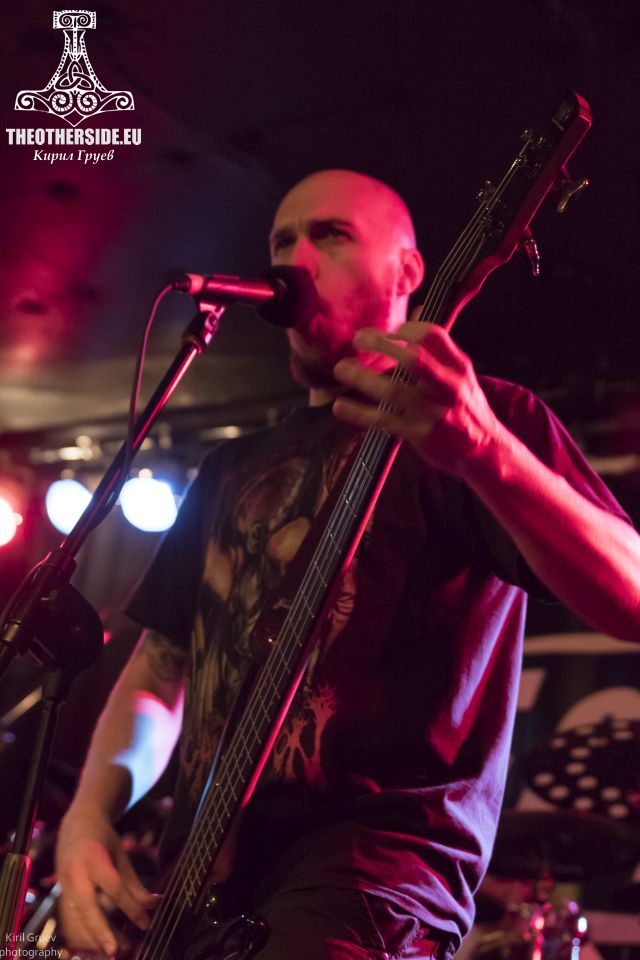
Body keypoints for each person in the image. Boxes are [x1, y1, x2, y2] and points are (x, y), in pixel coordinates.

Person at [55, 169, 640, 960]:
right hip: (196, 886)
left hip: (370, 880)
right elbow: (162, 671)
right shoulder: (228, 471)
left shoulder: (486, 419)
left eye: (330, 235)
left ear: (408, 271)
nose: (294, 258)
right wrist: (89, 817)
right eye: (281, 239)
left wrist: (484, 451)